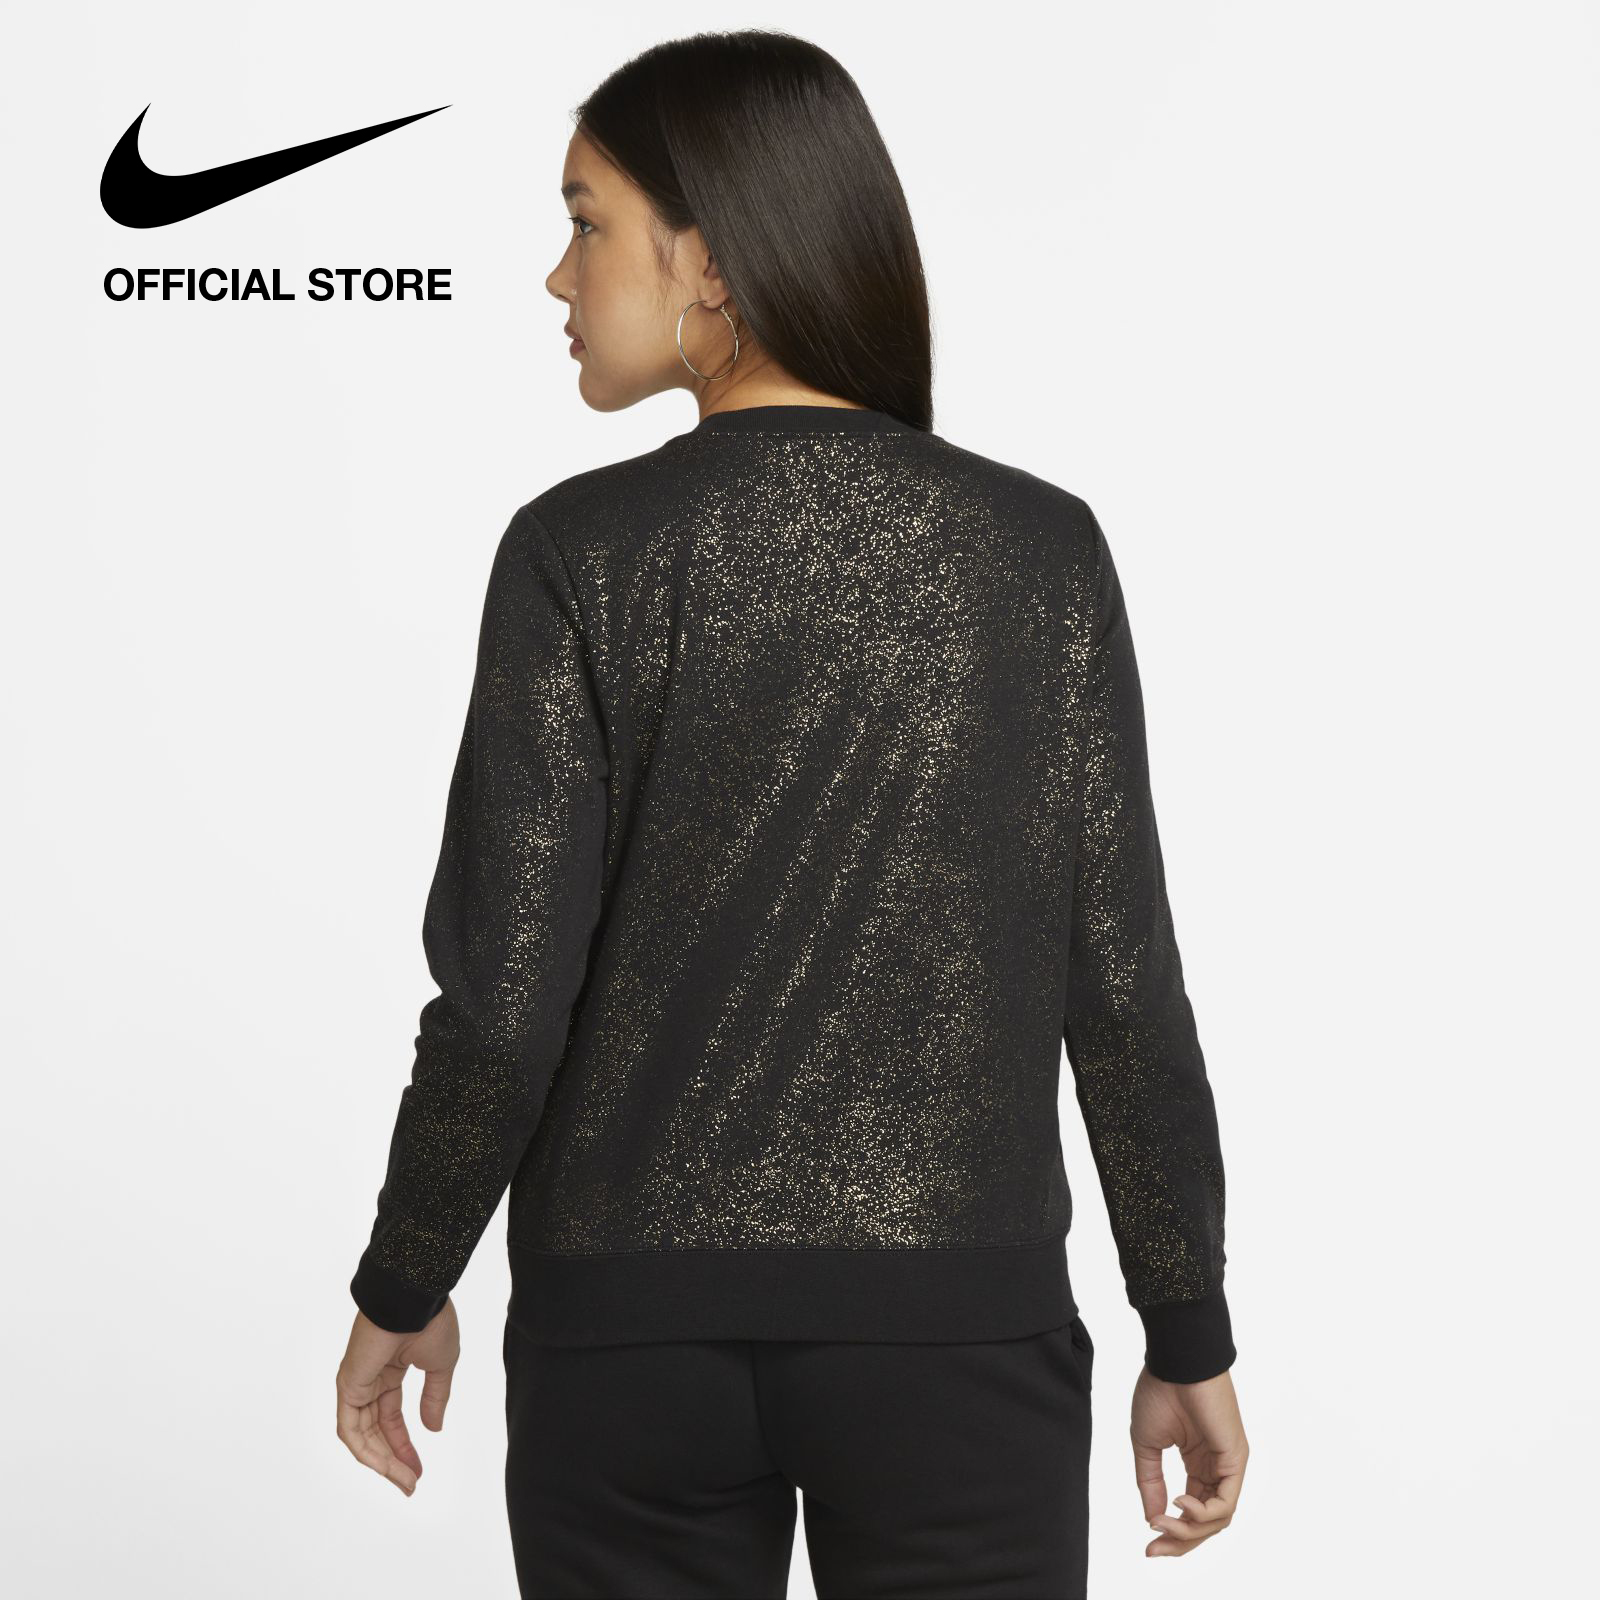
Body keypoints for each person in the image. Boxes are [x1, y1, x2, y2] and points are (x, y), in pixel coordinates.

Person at [335, 28, 1248, 1599]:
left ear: (709, 260)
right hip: (958, 1346)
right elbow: (1121, 985)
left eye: (585, 223)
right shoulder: (1037, 554)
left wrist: (404, 1278)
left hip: (629, 1349)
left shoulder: (577, 553)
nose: (558, 276)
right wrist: (1189, 1327)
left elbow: (503, 1000)